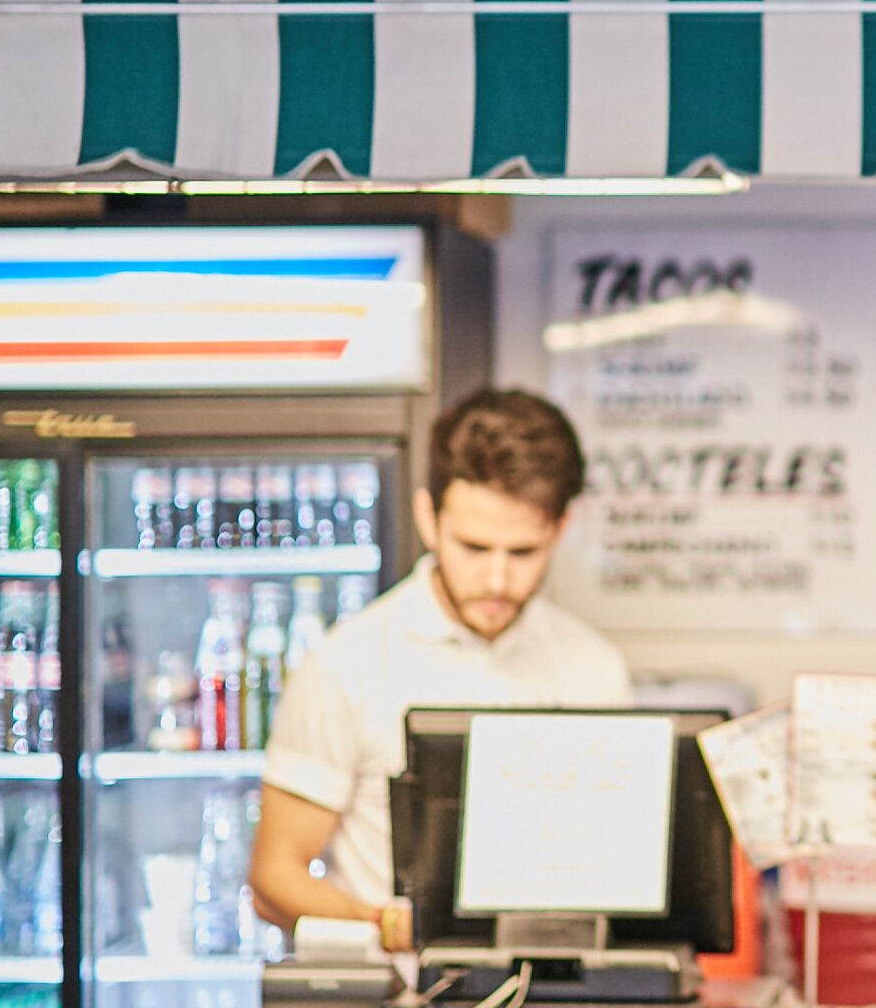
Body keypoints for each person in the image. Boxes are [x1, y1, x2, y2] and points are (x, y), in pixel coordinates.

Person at [249, 386, 630, 954]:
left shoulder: (594, 667)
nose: (499, 580)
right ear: (429, 517)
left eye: (523, 553)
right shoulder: (347, 665)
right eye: (474, 548)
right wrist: (385, 926)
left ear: (560, 528)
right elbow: (273, 882)